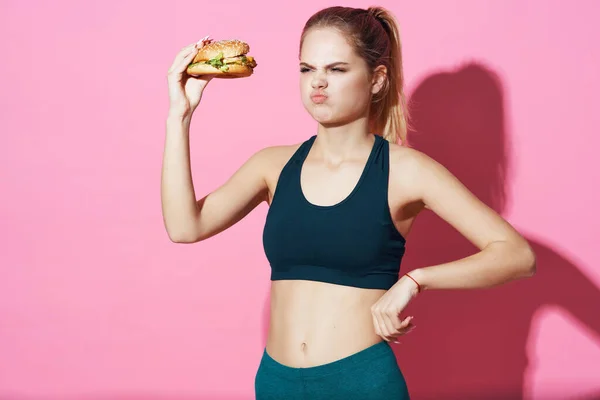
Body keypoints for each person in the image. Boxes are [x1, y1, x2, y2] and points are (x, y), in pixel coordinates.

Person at [161, 6, 536, 400]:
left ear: (376, 80)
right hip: (276, 384)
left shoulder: (404, 170)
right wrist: (179, 114)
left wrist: (415, 281)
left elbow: (517, 255)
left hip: (361, 384)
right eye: (307, 69)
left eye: (337, 70)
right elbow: (186, 227)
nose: (317, 83)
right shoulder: (272, 165)